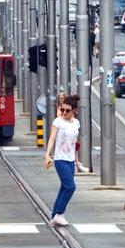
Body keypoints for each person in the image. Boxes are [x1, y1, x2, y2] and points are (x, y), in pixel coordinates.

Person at [44, 94, 81, 227]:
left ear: (74, 110)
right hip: (60, 159)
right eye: (62, 109)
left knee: (64, 187)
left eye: (67, 110)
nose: (64, 113)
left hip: (70, 160)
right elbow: (52, 139)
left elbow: (74, 143)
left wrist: (77, 161)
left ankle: (55, 215)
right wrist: (47, 155)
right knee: (71, 187)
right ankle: (59, 213)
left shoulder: (76, 123)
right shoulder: (58, 122)